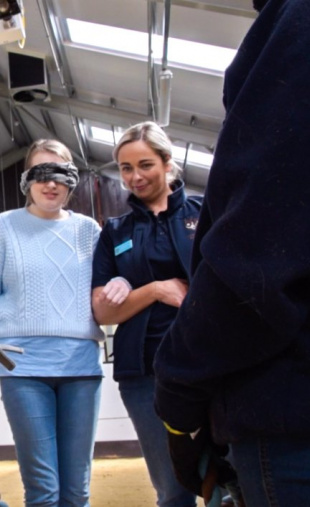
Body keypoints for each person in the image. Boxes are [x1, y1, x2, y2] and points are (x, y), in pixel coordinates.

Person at [154, 0, 310, 505]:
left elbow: (258, 262)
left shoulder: (299, 20)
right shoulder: (116, 230)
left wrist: (178, 390)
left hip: (284, 403)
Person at [0, 139, 104, 507]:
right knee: (44, 492)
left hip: (82, 368)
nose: (51, 184)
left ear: (72, 181)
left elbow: (104, 291)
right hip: (22, 369)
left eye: (61, 174)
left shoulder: (89, 231)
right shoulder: (2, 228)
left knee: (76, 493)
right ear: (26, 181)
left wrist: (120, 283)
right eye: (41, 174)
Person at [91, 121, 200, 507]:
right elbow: (103, 310)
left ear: (167, 163)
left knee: (236, 477)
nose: (135, 176)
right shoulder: (115, 231)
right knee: (172, 489)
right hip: (144, 373)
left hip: (210, 366)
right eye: (125, 168)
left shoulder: (205, 215)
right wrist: (154, 290)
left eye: (145, 165)